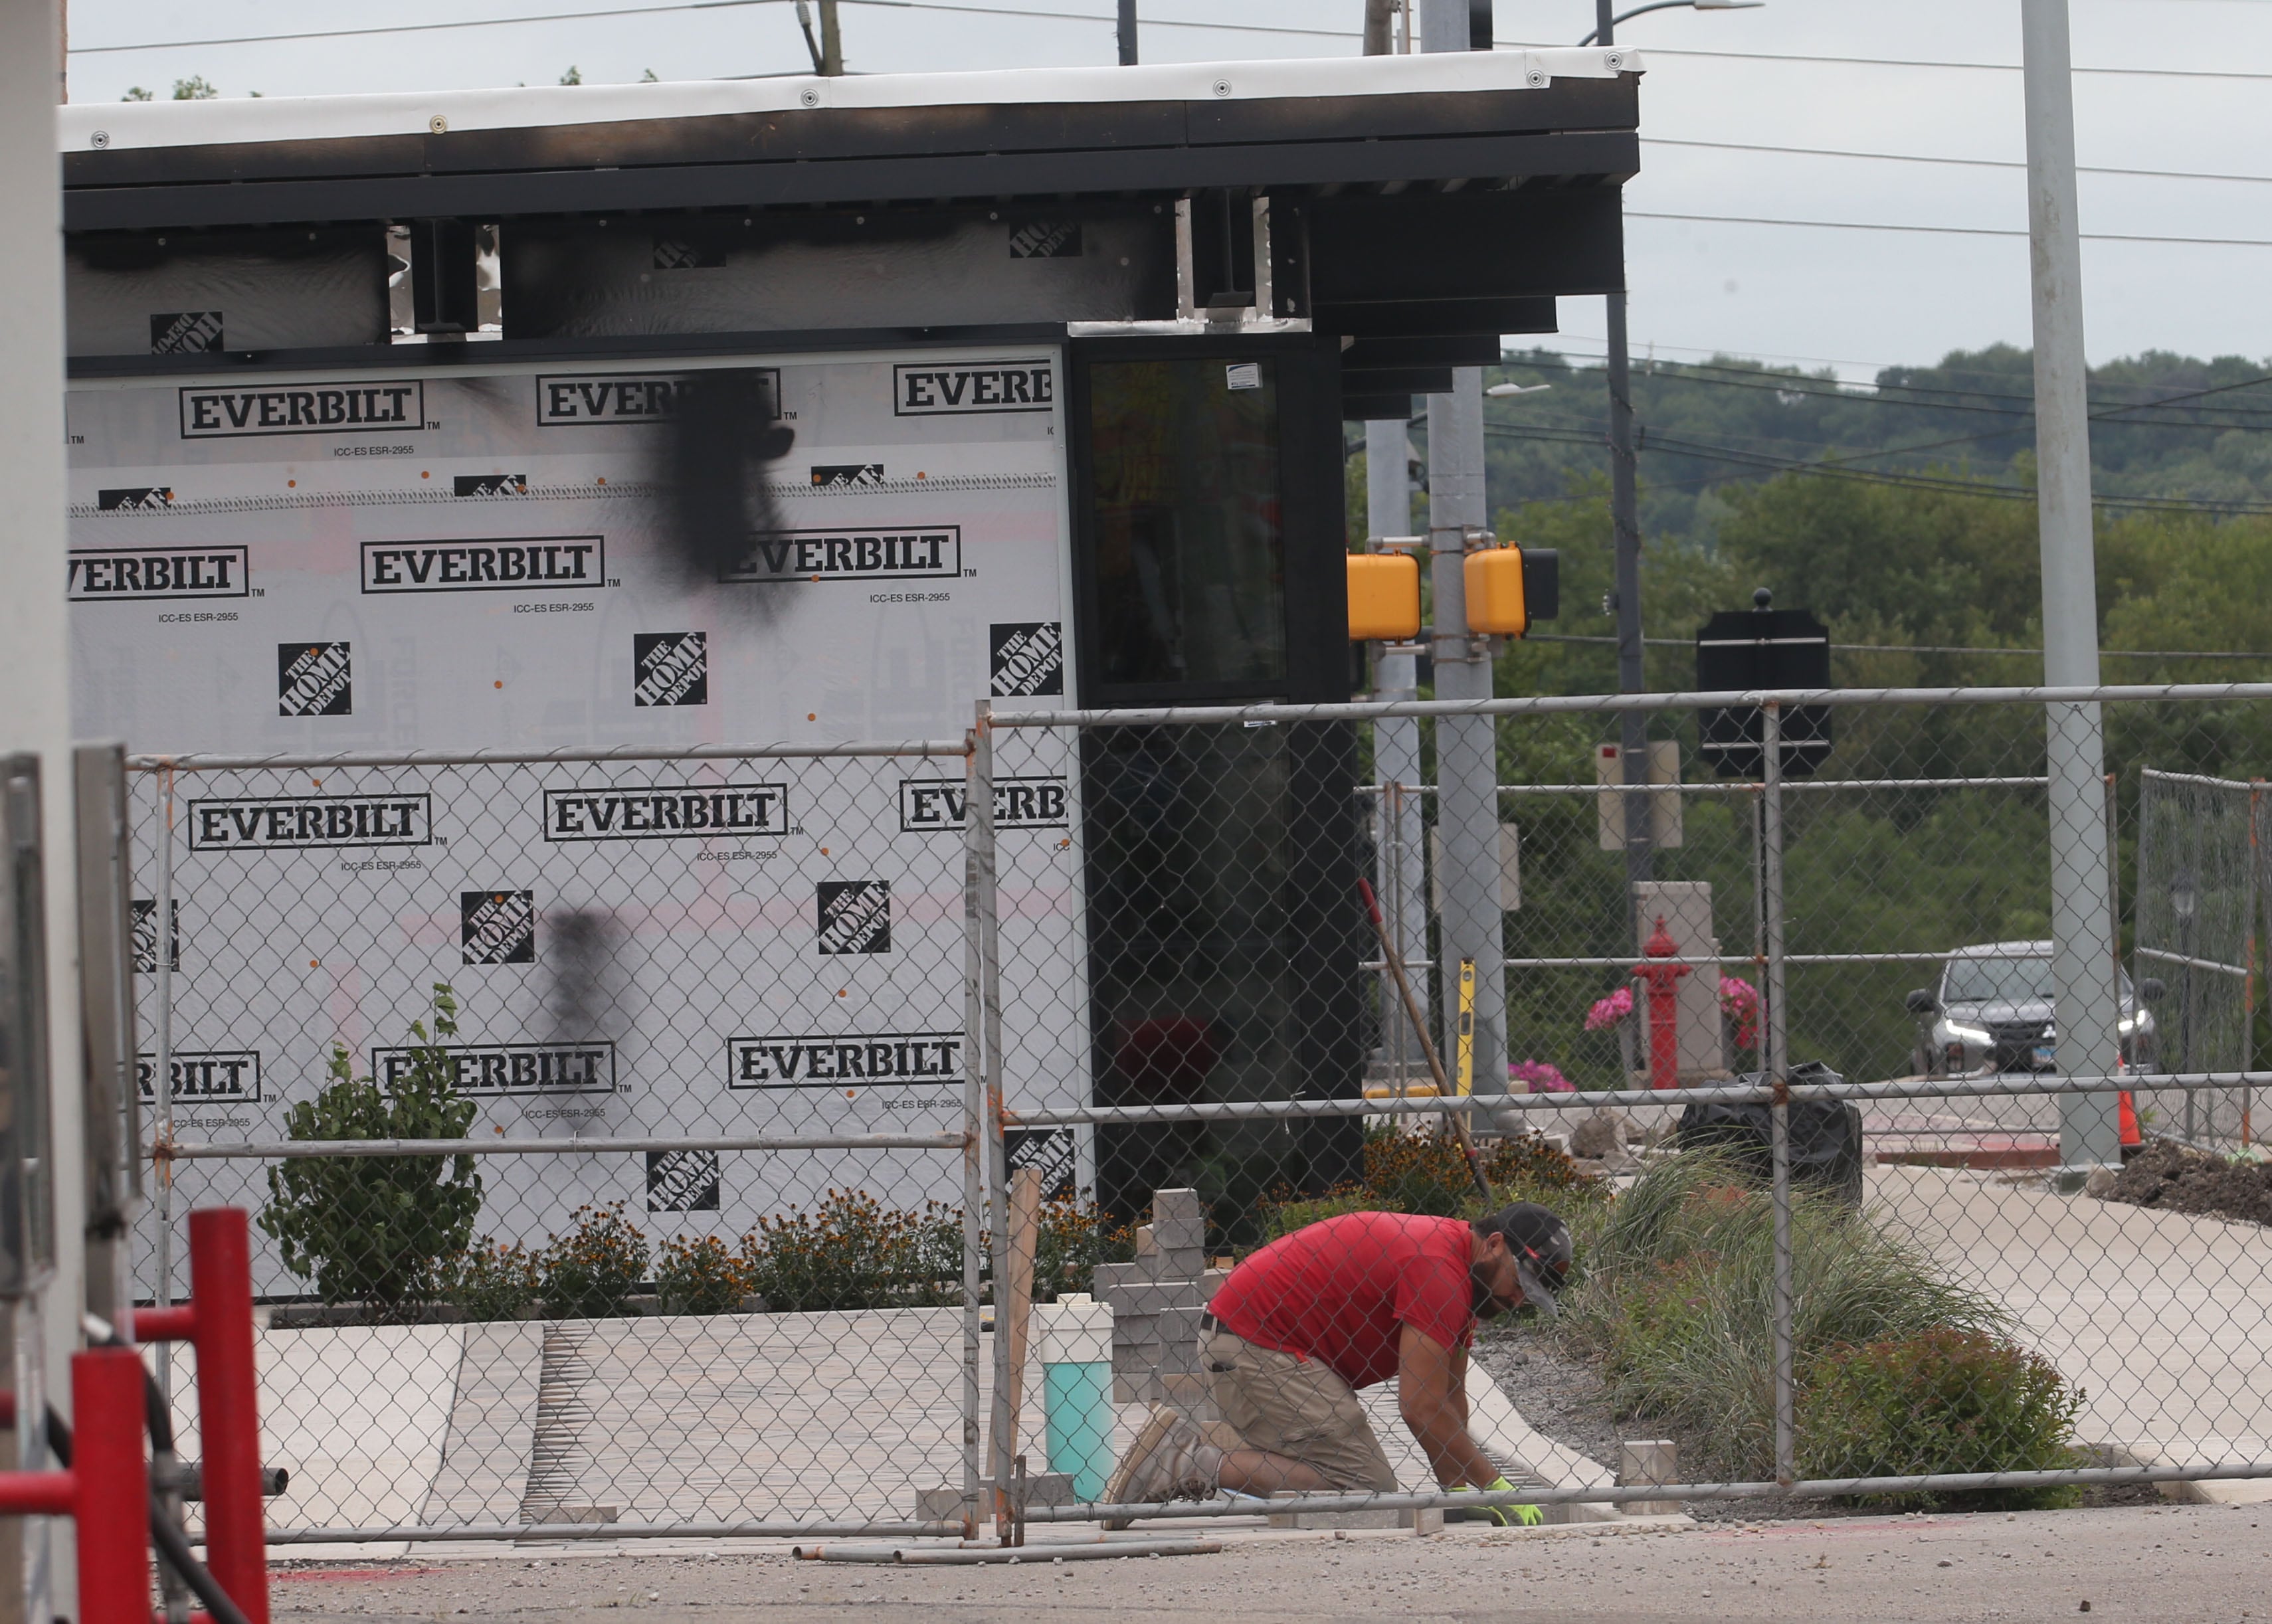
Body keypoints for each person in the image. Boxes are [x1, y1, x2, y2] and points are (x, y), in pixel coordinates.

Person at [1102, 1201, 1573, 1524]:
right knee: (1365, 1488)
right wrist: (1499, 1485)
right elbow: (1419, 1407)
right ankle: (1185, 1459)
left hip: (1268, 1343)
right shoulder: (1441, 1275)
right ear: (1494, 1244)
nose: (1519, 1299)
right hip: (1254, 1344)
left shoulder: (1462, 1278)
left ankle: (1217, 1460)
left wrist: (1459, 1489)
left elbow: (1450, 1397)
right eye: (1521, 1282)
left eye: (1532, 1296)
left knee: (1359, 1482)